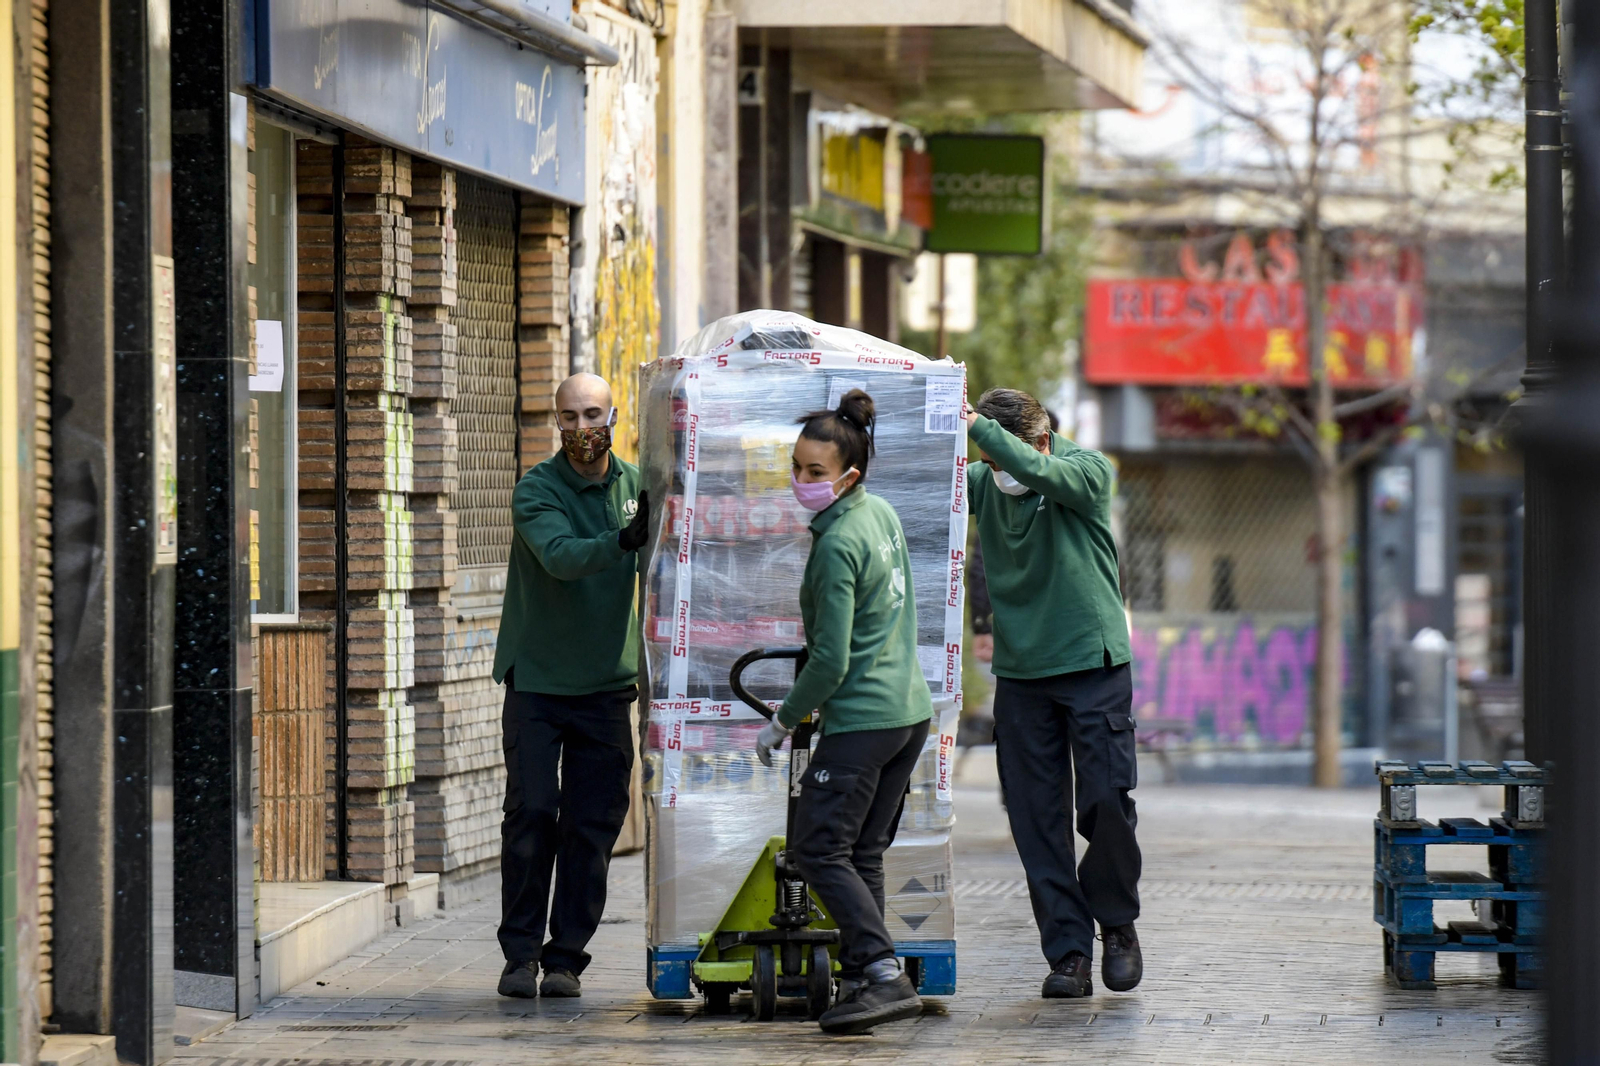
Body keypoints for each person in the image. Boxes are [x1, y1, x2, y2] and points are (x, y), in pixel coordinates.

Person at [751, 389, 933, 1036]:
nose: (800, 480)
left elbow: (829, 661)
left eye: (815, 471)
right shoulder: (879, 513)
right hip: (908, 713)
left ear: (848, 476)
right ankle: (862, 981)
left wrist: (780, 721)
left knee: (817, 849)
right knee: (862, 852)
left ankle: (882, 974)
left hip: (864, 719)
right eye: (796, 467)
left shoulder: (836, 545)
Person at [964, 387, 1143, 999]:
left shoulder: (1086, 471)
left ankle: (1117, 925)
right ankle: (1069, 951)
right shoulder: (986, 483)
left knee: (1105, 801)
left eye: (1004, 457)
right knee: (1036, 818)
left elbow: (1041, 473)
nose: (997, 472)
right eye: (989, 462)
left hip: (1093, 662)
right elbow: (927, 480)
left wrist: (984, 434)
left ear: (1040, 442)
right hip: (1022, 674)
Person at [492, 373, 651, 999]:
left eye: (592, 414)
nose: (582, 428)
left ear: (613, 416)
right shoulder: (537, 488)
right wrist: (622, 541)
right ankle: (520, 955)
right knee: (532, 813)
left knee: (592, 826)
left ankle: (564, 959)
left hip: (606, 684)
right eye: (569, 417)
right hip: (538, 680)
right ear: (555, 422)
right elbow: (560, 557)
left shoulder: (638, 487)